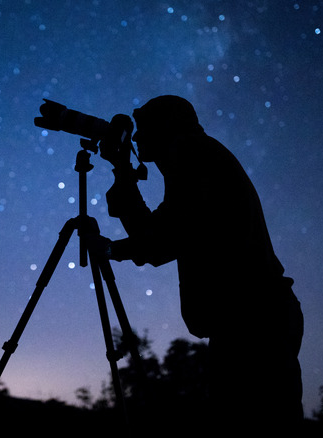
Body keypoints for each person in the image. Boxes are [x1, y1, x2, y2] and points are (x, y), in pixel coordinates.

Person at [97, 95, 304, 431]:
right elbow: (164, 235)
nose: (135, 138)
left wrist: (122, 174)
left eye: (143, 128)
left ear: (166, 125)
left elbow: (161, 240)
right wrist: (122, 174)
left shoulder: (190, 153)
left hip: (253, 321)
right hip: (256, 318)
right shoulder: (197, 156)